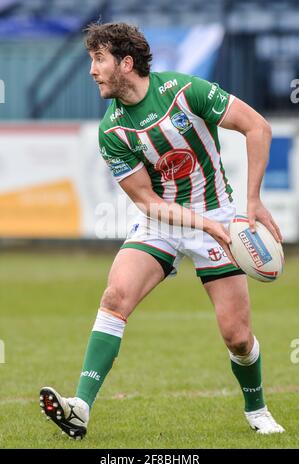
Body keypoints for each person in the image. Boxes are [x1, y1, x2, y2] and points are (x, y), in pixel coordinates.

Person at [39, 22, 285, 440]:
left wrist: (253, 202)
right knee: (116, 296)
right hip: (163, 221)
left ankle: (257, 409)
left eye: (99, 59)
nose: (92, 70)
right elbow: (149, 203)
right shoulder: (111, 131)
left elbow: (257, 127)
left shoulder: (185, 92)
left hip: (219, 214)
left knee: (238, 338)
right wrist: (202, 225)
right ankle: (80, 408)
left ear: (126, 63)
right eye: (91, 60)